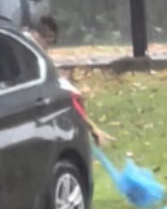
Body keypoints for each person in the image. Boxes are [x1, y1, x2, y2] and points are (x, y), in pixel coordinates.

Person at [26, 16, 115, 148]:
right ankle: (91, 131)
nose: (47, 48)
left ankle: (90, 130)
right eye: (48, 42)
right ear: (42, 34)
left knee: (70, 97)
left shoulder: (30, 47)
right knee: (69, 98)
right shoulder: (28, 49)